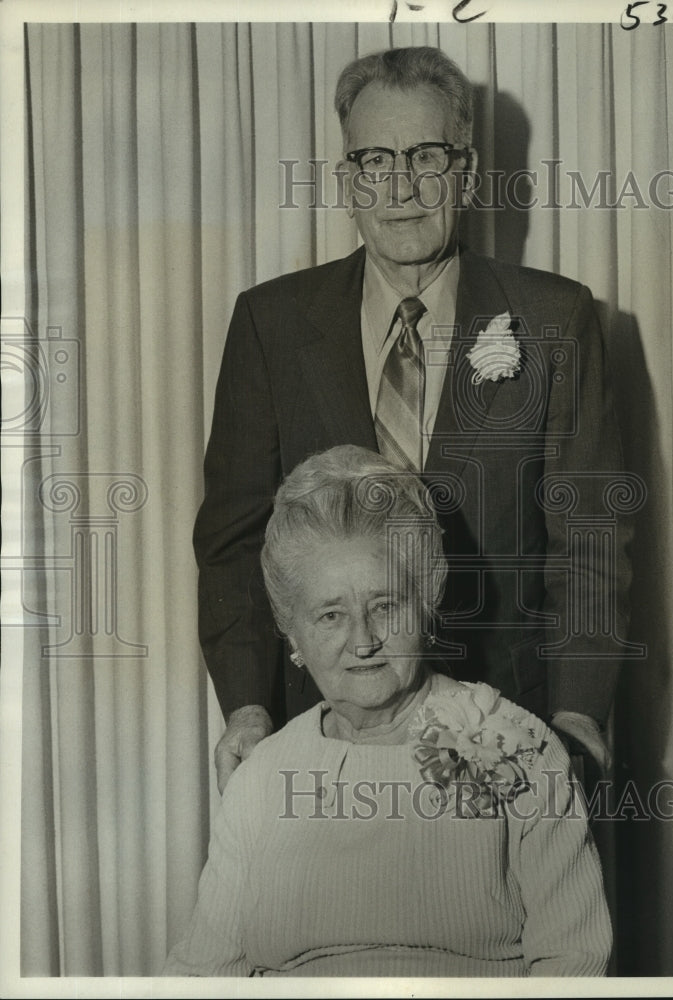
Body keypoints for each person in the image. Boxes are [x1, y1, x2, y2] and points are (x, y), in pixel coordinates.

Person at [194, 45, 633, 794]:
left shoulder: (555, 317)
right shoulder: (269, 322)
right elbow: (235, 544)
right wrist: (246, 706)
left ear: (464, 170)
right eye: (373, 160)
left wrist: (580, 716)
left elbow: (589, 539)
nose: (400, 186)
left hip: (510, 735)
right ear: (346, 179)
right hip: (323, 737)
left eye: (426, 156)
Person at [166, 446, 612, 977]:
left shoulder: (520, 746)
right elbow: (201, 977)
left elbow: (573, 964)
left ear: (427, 602)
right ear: (293, 634)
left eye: (385, 606)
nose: (363, 641)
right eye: (331, 615)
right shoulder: (260, 779)